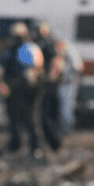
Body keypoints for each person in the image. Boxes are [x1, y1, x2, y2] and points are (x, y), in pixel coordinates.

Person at [0, 22, 44, 153]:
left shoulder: (14, 49)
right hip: (21, 88)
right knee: (22, 118)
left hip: (22, 88)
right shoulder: (29, 47)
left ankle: (31, 145)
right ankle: (21, 144)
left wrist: (1, 84)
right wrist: (1, 84)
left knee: (25, 118)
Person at [34, 21, 68, 152]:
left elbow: (56, 64)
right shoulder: (49, 43)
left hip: (48, 86)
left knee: (47, 115)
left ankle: (54, 143)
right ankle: (53, 143)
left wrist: (49, 79)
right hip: (50, 85)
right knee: (50, 114)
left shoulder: (47, 45)